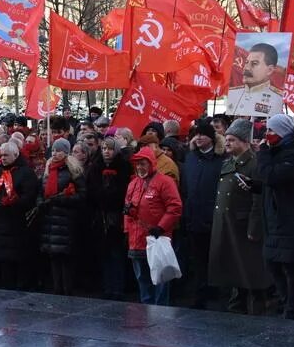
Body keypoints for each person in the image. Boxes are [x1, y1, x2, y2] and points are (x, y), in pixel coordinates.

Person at [208, 119, 271, 315]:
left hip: (243, 227)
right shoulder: (228, 162)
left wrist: (254, 228)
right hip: (228, 225)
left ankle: (257, 310)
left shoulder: (255, 164)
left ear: (244, 142)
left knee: (250, 272)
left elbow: (258, 200)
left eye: (232, 140)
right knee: (234, 271)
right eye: (226, 139)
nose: (227, 143)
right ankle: (237, 308)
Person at [256, 114, 294, 320]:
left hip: (292, 220)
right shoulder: (279, 151)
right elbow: (269, 180)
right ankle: (285, 301)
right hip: (276, 219)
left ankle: (293, 309)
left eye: (271, 131)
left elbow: (271, 176)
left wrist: (262, 153)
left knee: (291, 267)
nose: (267, 135)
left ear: (283, 132)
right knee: (273, 263)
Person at [123, 147, 182, 305]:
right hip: (137, 240)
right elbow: (127, 211)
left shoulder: (165, 182)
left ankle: (160, 310)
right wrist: (127, 231)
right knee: (142, 279)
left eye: (143, 164)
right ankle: (146, 309)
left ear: (151, 163)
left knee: (160, 278)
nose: (140, 167)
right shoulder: (133, 183)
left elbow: (175, 207)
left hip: (157, 239)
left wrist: (162, 227)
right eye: (137, 164)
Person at [181, 120, 225, 309]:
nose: (198, 138)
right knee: (197, 257)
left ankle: (214, 290)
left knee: (213, 256)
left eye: (203, 135)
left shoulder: (221, 159)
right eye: (196, 134)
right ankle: (200, 292)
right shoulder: (190, 158)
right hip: (193, 214)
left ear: (212, 138)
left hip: (212, 215)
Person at [86, 136, 132, 300]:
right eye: (104, 148)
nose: (107, 152)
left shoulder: (124, 167)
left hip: (117, 216)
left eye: (110, 148)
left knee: (117, 253)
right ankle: (107, 286)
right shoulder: (95, 167)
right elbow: (91, 190)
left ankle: (118, 287)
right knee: (104, 253)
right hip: (100, 216)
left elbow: (124, 192)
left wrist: (109, 194)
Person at [39, 139, 86, 295]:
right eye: (53, 150)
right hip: (50, 219)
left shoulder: (73, 170)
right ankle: (56, 288)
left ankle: (67, 289)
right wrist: (41, 201)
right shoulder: (48, 170)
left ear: (66, 152)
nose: (54, 153)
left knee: (65, 257)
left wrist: (62, 199)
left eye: (58, 150)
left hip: (66, 220)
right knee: (53, 256)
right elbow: (41, 191)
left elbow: (82, 195)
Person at [0, 142, 39, 290]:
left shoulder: (26, 172)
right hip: (1, 222)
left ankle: (22, 286)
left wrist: (14, 202)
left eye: (6, 155)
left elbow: (30, 195)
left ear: (16, 155)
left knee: (19, 258)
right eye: (1, 155)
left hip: (18, 221)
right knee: (4, 259)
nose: (2, 158)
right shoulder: (0, 171)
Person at [226, 42, 284, 117]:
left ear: (269, 70)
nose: (246, 68)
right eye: (246, 62)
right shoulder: (233, 93)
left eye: (254, 63)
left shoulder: (277, 97)